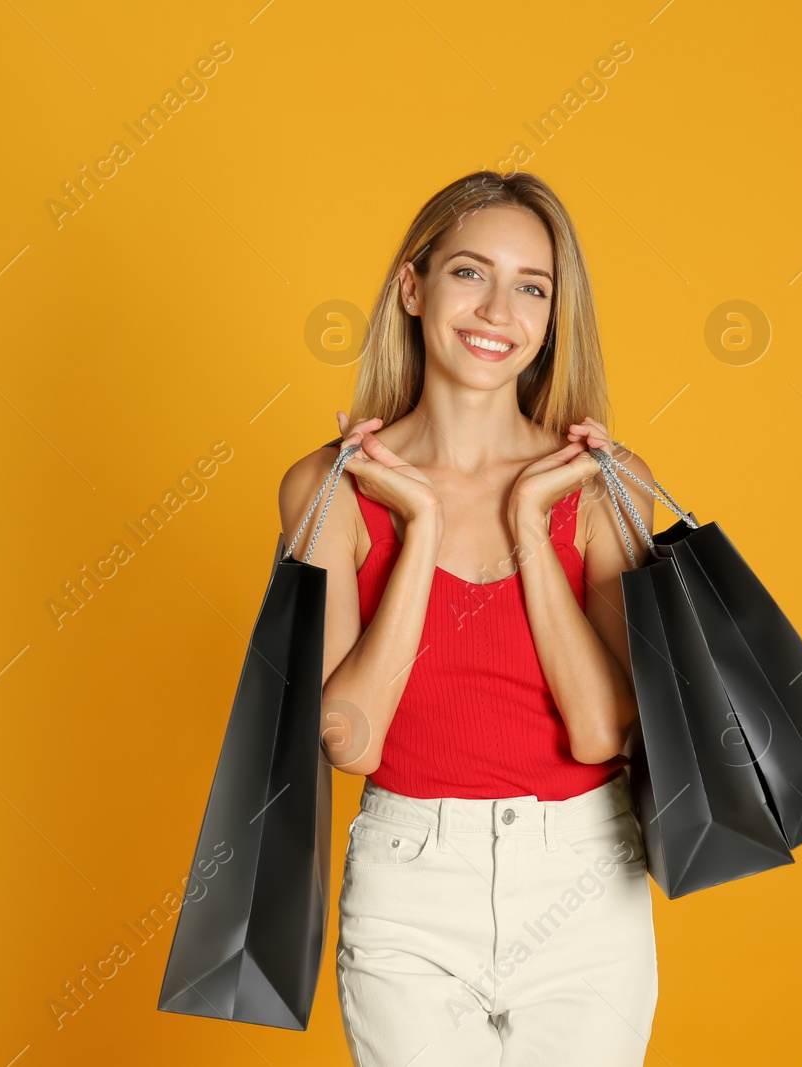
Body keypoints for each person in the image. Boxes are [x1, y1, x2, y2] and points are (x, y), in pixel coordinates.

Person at [277, 170, 660, 1066]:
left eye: (533, 286)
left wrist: (532, 522)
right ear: (413, 287)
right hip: (410, 880)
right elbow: (351, 742)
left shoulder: (605, 484)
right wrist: (418, 530)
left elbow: (603, 729)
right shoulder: (327, 488)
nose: (498, 309)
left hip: (585, 876)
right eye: (469, 273)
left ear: (553, 317)